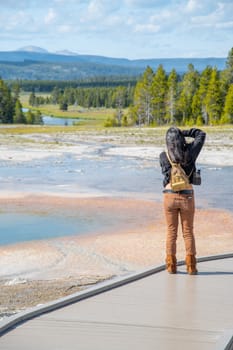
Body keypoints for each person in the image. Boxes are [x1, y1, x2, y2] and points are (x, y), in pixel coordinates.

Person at [159, 127, 206, 275]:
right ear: (181, 138)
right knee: (188, 232)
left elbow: (166, 176)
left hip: (169, 195)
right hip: (187, 195)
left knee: (171, 232)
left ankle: (171, 266)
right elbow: (201, 134)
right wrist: (183, 132)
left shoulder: (163, 155)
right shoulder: (190, 151)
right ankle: (191, 267)